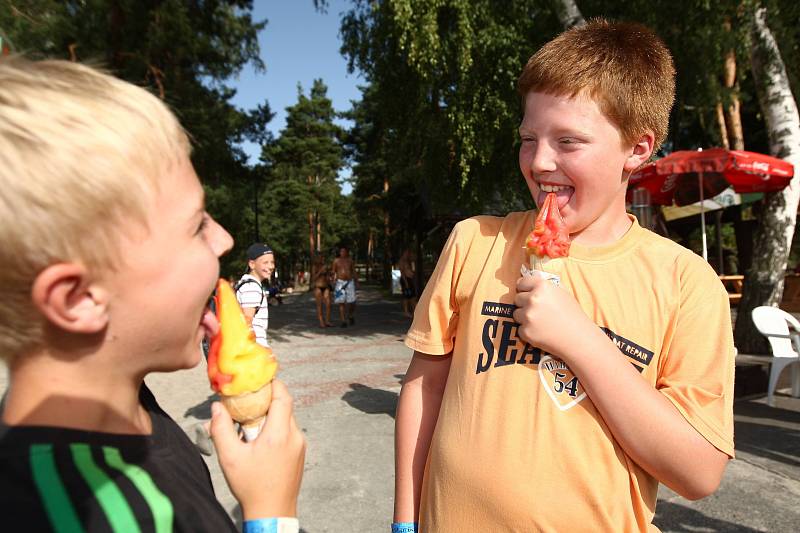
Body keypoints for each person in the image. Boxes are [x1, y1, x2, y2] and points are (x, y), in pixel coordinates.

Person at [394, 20, 734, 532]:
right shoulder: (476, 243)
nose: (539, 161)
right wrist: (404, 520)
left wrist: (583, 342)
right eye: (529, 138)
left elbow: (699, 471)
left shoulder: (685, 282)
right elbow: (426, 389)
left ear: (638, 149)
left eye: (569, 141)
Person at [0, 57, 305, 532]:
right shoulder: (83, 513)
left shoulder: (129, 404)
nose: (224, 239)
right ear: (78, 299)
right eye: (196, 226)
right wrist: (270, 515)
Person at [237, 243, 275, 347]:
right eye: (265, 262)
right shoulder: (251, 287)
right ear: (252, 264)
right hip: (254, 349)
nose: (271, 266)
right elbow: (246, 323)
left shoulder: (247, 284)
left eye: (272, 262)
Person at [332, 246, 357, 327]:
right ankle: (343, 321)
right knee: (341, 302)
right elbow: (333, 271)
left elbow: (353, 271)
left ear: (347, 252)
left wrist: (357, 281)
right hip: (340, 282)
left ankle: (350, 315)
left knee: (352, 301)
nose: (342, 253)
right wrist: (332, 280)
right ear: (339, 252)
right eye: (341, 251)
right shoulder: (336, 261)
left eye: (344, 251)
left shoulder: (350, 260)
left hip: (350, 282)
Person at [311, 254, 333, 328]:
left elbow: (328, 276)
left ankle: (327, 321)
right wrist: (320, 271)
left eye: (323, 258)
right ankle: (321, 322)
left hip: (326, 286)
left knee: (328, 304)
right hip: (318, 287)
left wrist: (329, 275)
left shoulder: (325, 266)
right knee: (319, 305)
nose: (322, 259)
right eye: (321, 258)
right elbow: (314, 278)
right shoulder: (315, 266)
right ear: (318, 259)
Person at [397, 248, 417, 318]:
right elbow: (402, 273)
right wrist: (406, 283)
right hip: (405, 280)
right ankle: (406, 312)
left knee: (412, 296)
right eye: (406, 253)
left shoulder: (409, 261)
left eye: (408, 253)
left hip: (410, 280)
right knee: (406, 297)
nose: (407, 254)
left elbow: (413, 270)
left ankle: (414, 311)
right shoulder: (401, 261)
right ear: (403, 253)